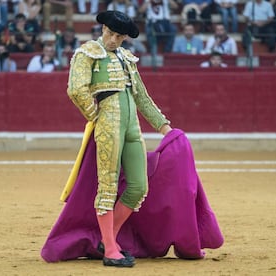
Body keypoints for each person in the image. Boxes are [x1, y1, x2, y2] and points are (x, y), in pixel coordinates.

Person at [66, 10, 172, 267]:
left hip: (132, 127)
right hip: (109, 126)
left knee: (138, 186)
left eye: (119, 36)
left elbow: (142, 97)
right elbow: (75, 89)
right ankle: (110, 249)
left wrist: (164, 127)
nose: (113, 40)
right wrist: (95, 116)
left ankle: (108, 238)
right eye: (110, 33)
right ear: (102, 29)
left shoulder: (126, 58)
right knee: (108, 186)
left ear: (125, 38)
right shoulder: (87, 53)